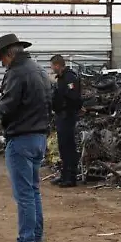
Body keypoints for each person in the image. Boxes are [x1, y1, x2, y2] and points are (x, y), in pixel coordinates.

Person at [0, 33, 53, 242]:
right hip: (39, 137)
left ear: (8, 54)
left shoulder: (17, 72)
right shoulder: (39, 69)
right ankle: (36, 240)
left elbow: (8, 106)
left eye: (2, 60)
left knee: (24, 194)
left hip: (22, 138)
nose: (3, 65)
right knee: (33, 191)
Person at [49, 54, 83, 188]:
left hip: (67, 116)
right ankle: (64, 175)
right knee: (63, 147)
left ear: (57, 65)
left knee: (69, 146)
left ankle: (71, 177)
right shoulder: (61, 78)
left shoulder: (70, 77)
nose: (51, 68)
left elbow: (73, 97)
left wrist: (63, 103)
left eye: (52, 65)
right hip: (60, 115)